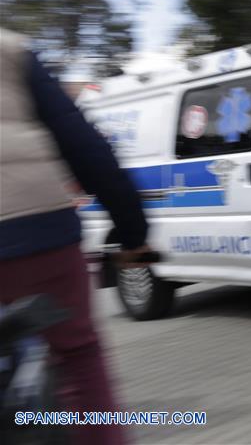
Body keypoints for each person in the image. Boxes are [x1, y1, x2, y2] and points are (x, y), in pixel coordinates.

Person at [0, 28, 155, 445]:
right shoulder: (12, 51)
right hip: (38, 231)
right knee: (78, 357)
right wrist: (132, 231)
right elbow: (83, 145)